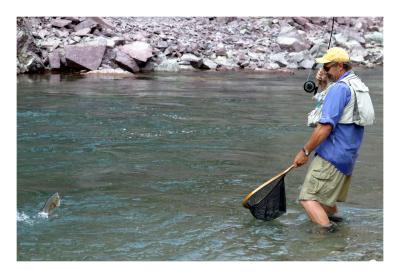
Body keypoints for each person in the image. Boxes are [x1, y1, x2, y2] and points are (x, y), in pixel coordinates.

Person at [293, 47, 373, 232]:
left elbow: (325, 126)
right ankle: (340, 231)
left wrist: (305, 151)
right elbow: (338, 110)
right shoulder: (355, 84)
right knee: (325, 202)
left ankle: (328, 238)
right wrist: (323, 85)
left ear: (339, 66)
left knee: (308, 198)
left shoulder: (339, 89)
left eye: (327, 67)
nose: (324, 70)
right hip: (347, 156)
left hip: (332, 156)